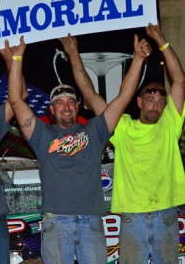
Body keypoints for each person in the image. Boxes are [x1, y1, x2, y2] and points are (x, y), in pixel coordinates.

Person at [7, 33, 151, 263]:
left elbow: (123, 97)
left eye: (70, 101)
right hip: (56, 222)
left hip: (90, 222)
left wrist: (138, 59)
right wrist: (16, 60)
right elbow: (16, 101)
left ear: (77, 106)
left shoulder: (95, 130)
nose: (66, 106)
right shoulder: (41, 134)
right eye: (59, 102)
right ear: (51, 110)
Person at [69, 22, 185, 263]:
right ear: (140, 102)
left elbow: (179, 81)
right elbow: (90, 95)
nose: (156, 105)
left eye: (161, 101)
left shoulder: (169, 125)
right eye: (150, 99)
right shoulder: (122, 127)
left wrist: (161, 40)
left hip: (166, 216)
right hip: (133, 220)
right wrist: (73, 55)